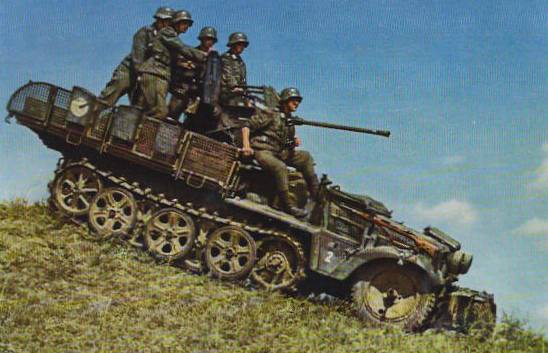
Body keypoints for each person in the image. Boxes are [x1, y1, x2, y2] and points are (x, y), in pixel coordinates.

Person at [241, 88, 319, 218]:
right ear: (285, 101)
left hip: (278, 152)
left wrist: (292, 143)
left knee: (306, 157)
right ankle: (286, 206)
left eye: (298, 101)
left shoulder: (289, 122)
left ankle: (316, 196)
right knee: (280, 167)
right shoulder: (270, 113)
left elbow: (284, 144)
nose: (297, 103)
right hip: (262, 150)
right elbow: (246, 126)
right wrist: (246, 146)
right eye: (294, 100)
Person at [137, 10, 207, 120]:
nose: (186, 27)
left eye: (188, 25)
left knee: (151, 110)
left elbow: (174, 56)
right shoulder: (167, 32)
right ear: (176, 22)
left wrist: (184, 64)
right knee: (159, 112)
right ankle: (141, 134)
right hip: (154, 72)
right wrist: (204, 56)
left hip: (161, 75)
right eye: (184, 23)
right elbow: (182, 48)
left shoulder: (173, 36)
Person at [99, 7, 174, 106]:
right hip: (129, 71)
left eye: (168, 22)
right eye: (163, 21)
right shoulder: (145, 32)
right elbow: (138, 57)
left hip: (147, 75)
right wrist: (141, 73)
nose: (165, 24)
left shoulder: (169, 39)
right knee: (110, 95)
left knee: (139, 108)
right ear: (158, 20)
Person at [168, 26, 217, 121]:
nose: (209, 42)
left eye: (212, 40)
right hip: (182, 90)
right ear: (202, 39)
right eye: (207, 39)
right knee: (171, 117)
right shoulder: (189, 53)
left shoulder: (213, 59)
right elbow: (178, 68)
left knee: (192, 123)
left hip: (198, 95)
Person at [220, 32, 249, 107]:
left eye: (243, 45)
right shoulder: (225, 58)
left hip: (238, 94)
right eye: (239, 44)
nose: (242, 47)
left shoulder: (241, 62)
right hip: (226, 94)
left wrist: (246, 94)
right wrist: (235, 87)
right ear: (233, 44)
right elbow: (227, 74)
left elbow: (243, 81)